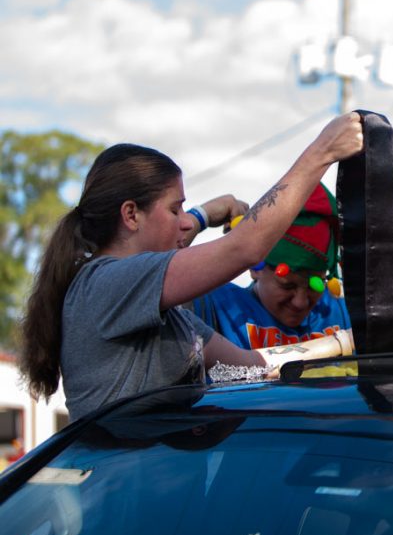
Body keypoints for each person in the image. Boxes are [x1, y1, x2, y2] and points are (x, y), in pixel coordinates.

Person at [19, 113, 363, 421]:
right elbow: (243, 248)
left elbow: (251, 368)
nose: (185, 222)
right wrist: (322, 153)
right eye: (175, 210)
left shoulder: (168, 315)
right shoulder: (109, 281)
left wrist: (345, 342)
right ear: (130, 215)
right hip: (124, 488)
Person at [191, 182, 352, 352]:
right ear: (254, 267)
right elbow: (160, 277)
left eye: (315, 285)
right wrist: (199, 217)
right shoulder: (220, 305)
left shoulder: (341, 310)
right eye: (287, 285)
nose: (300, 302)